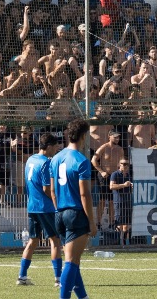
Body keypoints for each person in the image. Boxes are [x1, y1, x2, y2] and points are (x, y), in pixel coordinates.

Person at [50, 118, 98, 299]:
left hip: (59, 213)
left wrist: (59, 212)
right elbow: (85, 194)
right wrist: (92, 223)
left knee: (73, 260)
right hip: (75, 213)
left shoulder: (56, 158)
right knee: (71, 262)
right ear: (83, 137)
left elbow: (52, 191)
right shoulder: (81, 161)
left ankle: (83, 297)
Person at [19, 132, 63, 288]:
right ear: (49, 147)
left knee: (33, 240)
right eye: (56, 147)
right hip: (45, 207)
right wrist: (57, 200)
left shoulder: (30, 160)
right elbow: (46, 188)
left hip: (32, 206)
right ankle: (58, 279)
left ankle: (22, 276)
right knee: (55, 241)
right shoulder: (46, 163)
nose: (56, 150)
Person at [110, 158, 133, 246]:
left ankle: (124, 242)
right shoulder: (115, 174)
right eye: (123, 164)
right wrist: (124, 185)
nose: (125, 166)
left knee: (127, 223)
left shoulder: (129, 175)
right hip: (119, 201)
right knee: (119, 223)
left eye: (127, 164)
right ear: (119, 164)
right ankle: (118, 242)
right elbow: (111, 186)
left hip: (128, 200)